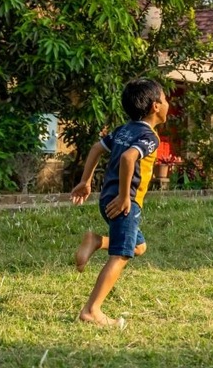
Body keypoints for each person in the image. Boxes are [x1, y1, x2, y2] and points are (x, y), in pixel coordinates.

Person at [70, 78, 169, 326]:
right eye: (165, 99)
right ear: (155, 106)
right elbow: (128, 158)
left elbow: (96, 148)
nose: (168, 104)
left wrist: (86, 181)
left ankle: (96, 241)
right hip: (124, 203)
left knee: (139, 247)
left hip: (106, 198)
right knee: (121, 255)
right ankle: (92, 310)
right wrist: (126, 196)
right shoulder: (149, 136)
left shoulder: (124, 129)